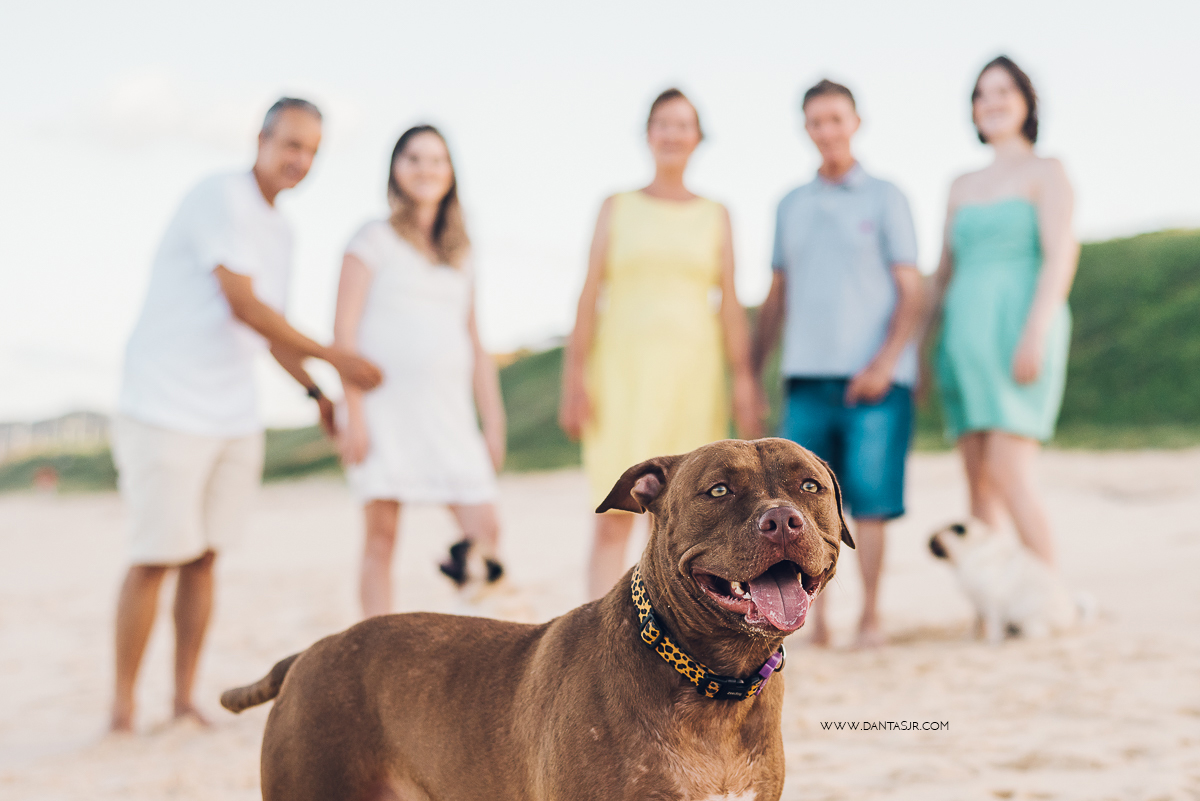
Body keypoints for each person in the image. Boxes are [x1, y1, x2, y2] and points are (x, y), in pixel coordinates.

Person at [110, 98, 383, 732]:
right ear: (260, 138)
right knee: (155, 554)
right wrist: (339, 357)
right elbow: (243, 304)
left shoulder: (281, 230)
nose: (300, 160)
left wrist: (316, 392)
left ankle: (181, 701)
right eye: (290, 144)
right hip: (164, 403)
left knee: (205, 555)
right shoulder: (220, 197)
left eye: (312, 151)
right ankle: (122, 710)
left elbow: (270, 331)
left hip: (232, 411)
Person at [560, 88, 762, 601]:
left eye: (683, 125)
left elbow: (731, 303)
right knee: (615, 506)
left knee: (684, 513)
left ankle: (667, 634)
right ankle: (597, 631)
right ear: (648, 134)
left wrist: (743, 380)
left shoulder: (717, 213)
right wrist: (574, 379)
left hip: (692, 380)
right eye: (663, 124)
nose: (672, 134)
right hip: (621, 379)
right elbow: (588, 294)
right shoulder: (616, 206)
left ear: (697, 137)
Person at [753, 79, 924, 648]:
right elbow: (777, 295)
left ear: (856, 122)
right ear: (806, 128)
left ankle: (870, 617)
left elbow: (910, 290)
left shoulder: (886, 197)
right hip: (805, 377)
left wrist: (886, 362)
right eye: (816, 121)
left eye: (836, 119)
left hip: (876, 380)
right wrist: (751, 371)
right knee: (801, 510)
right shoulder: (790, 204)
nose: (826, 130)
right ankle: (815, 621)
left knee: (870, 504)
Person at [334, 125, 507, 619]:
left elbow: (475, 340)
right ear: (395, 168)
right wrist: (354, 416)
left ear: (450, 173)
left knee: (485, 527)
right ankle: (375, 651)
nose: (425, 169)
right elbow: (342, 335)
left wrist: (491, 422)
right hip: (383, 411)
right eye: (413, 158)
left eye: (436, 160)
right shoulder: (372, 240)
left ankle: (479, 633)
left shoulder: (461, 252)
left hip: (448, 415)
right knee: (382, 538)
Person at [923, 56, 1077, 568]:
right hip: (963, 340)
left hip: (1019, 332)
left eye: (1004, 91)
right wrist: (921, 347)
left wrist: (1035, 333)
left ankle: (1053, 595)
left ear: (1027, 102)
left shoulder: (1046, 171)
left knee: (1010, 471)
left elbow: (1060, 256)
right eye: (981, 94)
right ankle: (995, 609)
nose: (992, 103)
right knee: (978, 483)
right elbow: (942, 273)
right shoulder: (959, 184)